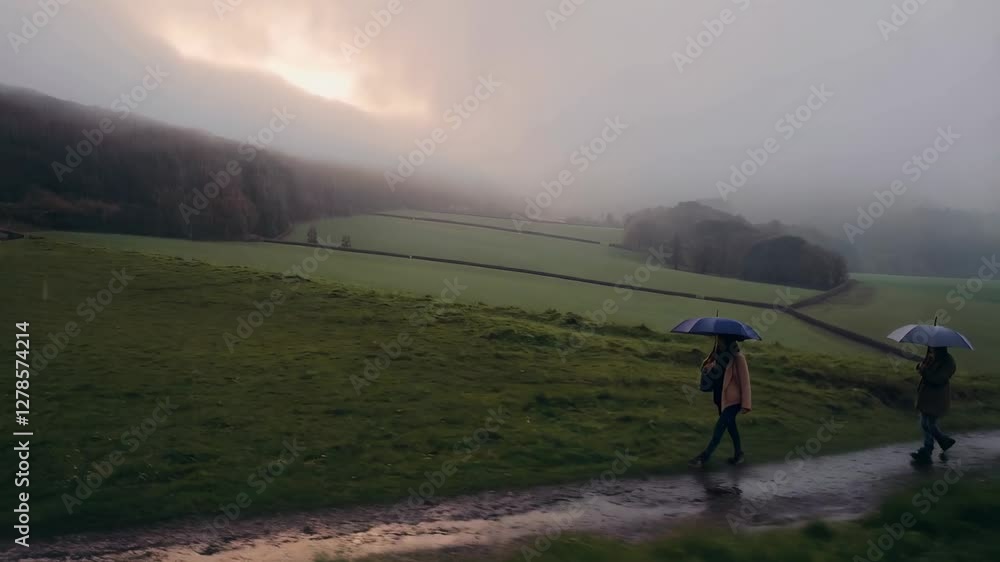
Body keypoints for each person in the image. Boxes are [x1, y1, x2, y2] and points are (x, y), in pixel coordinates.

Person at [689, 335, 752, 467]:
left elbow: (745, 383)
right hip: (720, 400)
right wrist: (708, 366)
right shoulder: (718, 357)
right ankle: (739, 454)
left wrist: (746, 404)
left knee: (719, 429)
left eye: (721, 341)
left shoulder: (738, 358)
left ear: (728, 342)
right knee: (731, 427)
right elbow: (712, 375)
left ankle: (703, 458)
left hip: (733, 402)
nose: (719, 343)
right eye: (718, 341)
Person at [911, 346, 957, 463]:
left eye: (934, 347)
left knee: (929, 424)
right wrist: (920, 366)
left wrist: (924, 371)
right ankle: (943, 441)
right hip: (927, 396)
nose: (932, 349)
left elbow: (938, 379)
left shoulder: (948, 362)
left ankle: (928, 449)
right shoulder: (932, 357)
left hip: (937, 397)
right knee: (925, 423)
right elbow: (926, 370)